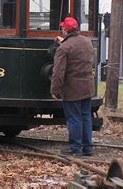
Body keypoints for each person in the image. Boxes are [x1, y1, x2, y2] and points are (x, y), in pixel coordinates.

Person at [50, 17, 95, 157]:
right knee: (86, 116)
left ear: (65, 30)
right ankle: (87, 148)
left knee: (74, 118)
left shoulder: (64, 48)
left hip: (72, 89)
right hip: (87, 87)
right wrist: (63, 42)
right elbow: (77, 51)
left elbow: (58, 72)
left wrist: (55, 90)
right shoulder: (87, 42)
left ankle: (75, 148)